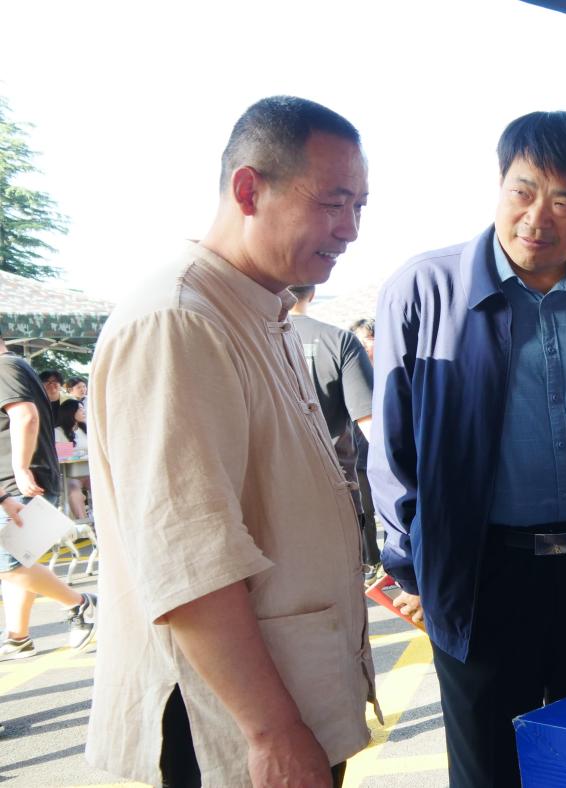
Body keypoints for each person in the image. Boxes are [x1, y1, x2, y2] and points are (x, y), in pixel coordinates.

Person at [85, 96, 374, 787]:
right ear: (249, 189)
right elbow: (187, 561)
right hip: (232, 730)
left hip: (288, 698)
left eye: (361, 207)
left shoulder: (255, 309)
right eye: (334, 203)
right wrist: (272, 731)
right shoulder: (179, 321)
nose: (351, 229)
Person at [370, 110, 566, 788]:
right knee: (490, 772)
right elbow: (393, 446)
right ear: (499, 182)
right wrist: (413, 573)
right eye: (522, 190)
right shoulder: (425, 286)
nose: (536, 217)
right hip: (483, 579)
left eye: (564, 200)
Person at [0, 337, 97, 661]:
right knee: (18, 562)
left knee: (8, 564)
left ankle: (80, 603)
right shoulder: (17, 366)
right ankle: (18, 637)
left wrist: (20, 466)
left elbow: (25, 416)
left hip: (19, 483)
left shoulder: (5, 366)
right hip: (25, 480)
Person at [286, 285, 375, 574]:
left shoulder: (248, 340)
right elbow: (372, 428)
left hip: (275, 492)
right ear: (312, 293)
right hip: (337, 486)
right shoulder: (339, 340)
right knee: (343, 586)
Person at [347, 318, 381, 574]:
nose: (365, 345)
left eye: (369, 339)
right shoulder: (348, 369)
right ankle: (373, 561)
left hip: (385, 453)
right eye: (361, 340)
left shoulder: (391, 368)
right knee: (365, 512)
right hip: (359, 454)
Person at [54, 398, 90, 520]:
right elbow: (63, 456)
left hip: (88, 471)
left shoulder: (85, 429)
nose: (83, 411)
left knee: (101, 486)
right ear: (70, 412)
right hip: (68, 475)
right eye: (80, 409)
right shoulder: (58, 432)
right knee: (74, 490)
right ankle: (83, 523)